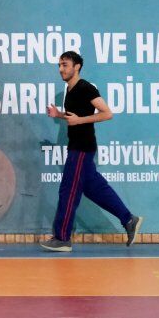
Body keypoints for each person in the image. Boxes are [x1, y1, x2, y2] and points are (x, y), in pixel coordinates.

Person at [41, 51, 143, 252]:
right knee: (95, 188)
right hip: (78, 147)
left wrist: (80, 120)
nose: (61, 69)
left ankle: (62, 238)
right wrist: (59, 114)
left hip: (81, 148)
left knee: (68, 191)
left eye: (65, 65)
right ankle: (129, 220)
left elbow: (107, 113)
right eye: (59, 65)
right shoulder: (70, 89)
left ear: (77, 66)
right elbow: (74, 115)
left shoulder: (85, 88)